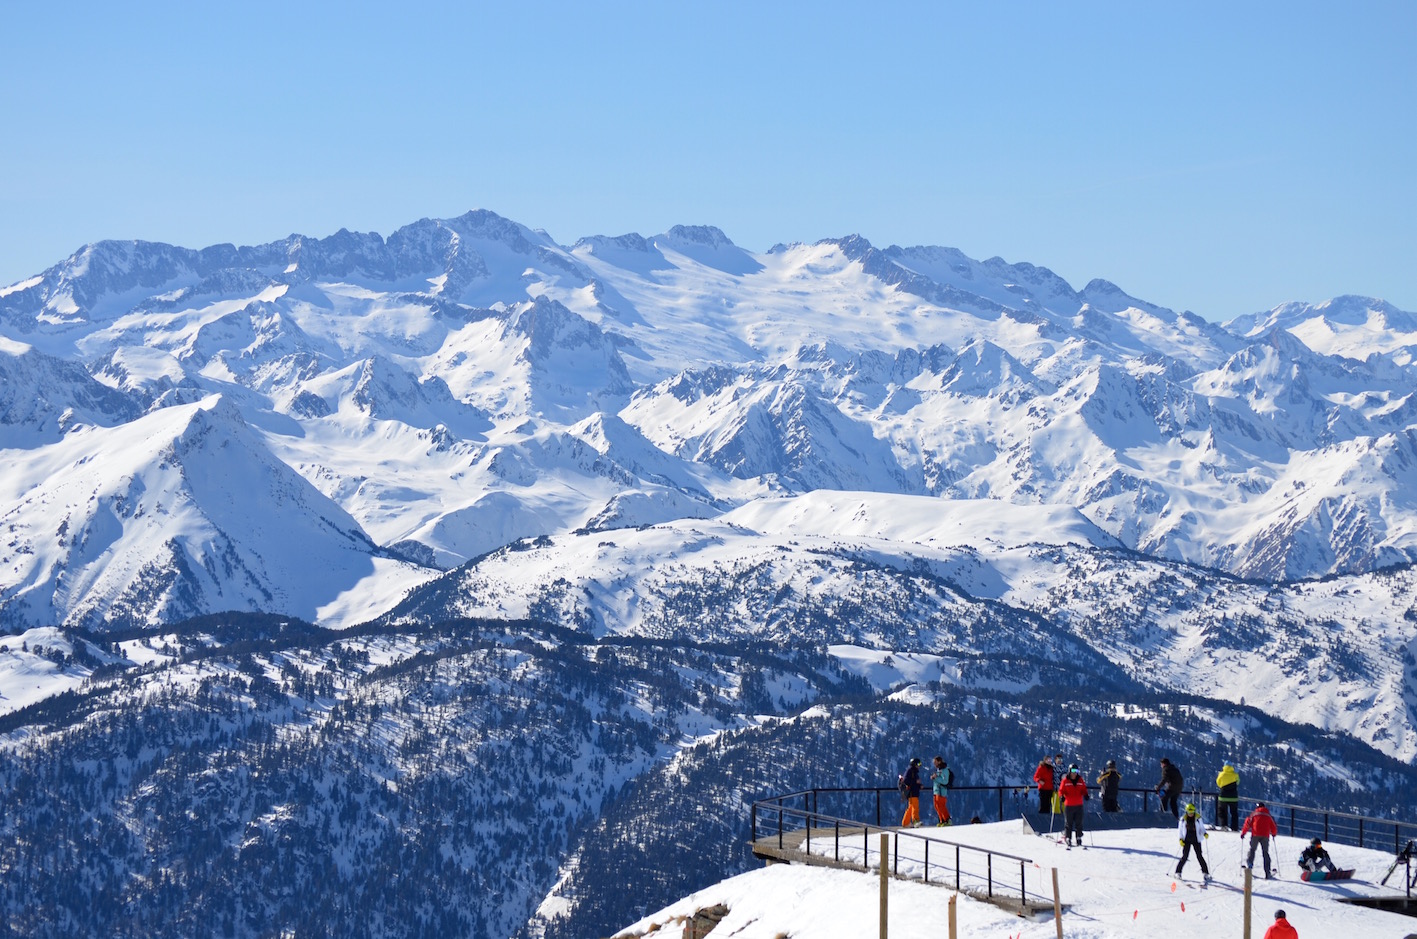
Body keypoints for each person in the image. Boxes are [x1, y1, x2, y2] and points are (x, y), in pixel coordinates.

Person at [1240, 801, 1278, 879]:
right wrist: (1274, 834)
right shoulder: (1268, 815)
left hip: (1255, 834)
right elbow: (1273, 826)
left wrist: (1243, 833)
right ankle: (1267, 872)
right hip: (1265, 835)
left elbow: (1247, 824)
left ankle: (1249, 866)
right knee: (1265, 853)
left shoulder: (1254, 814)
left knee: (1252, 850)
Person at [1174, 802, 1210, 879]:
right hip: (1186, 840)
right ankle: (1178, 872)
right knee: (1185, 856)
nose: (1191, 814)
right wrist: (1180, 839)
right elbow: (1180, 830)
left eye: (1192, 812)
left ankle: (1206, 872)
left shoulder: (1198, 818)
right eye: (1189, 812)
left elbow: (1201, 828)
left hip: (1196, 839)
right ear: (1186, 811)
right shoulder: (1183, 819)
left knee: (1199, 856)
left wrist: (1204, 833)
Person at [1059, 764, 1088, 846]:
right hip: (1069, 805)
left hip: (1079, 804)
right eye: (1073, 771)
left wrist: (1085, 794)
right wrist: (1061, 796)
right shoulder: (1065, 781)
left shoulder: (1080, 780)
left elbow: (1083, 789)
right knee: (1069, 823)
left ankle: (1079, 837)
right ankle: (1068, 838)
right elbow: (1061, 790)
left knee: (1079, 822)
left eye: (1076, 771)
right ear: (1069, 771)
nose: (1074, 773)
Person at [1216, 762, 1240, 829]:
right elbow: (1238, 782)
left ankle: (1224, 825)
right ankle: (1234, 827)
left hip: (1223, 796)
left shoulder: (1221, 774)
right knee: (1234, 813)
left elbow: (1218, 783)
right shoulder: (1235, 775)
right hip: (1233, 797)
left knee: (1222, 811)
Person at [900, 757, 923, 828]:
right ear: (914, 764)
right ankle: (916, 821)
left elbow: (912, 782)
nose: (919, 765)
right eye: (918, 764)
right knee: (915, 807)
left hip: (913, 792)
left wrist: (919, 785)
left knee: (910, 807)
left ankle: (905, 822)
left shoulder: (913, 771)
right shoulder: (911, 771)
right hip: (912, 792)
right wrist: (916, 782)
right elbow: (906, 781)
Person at [930, 755, 952, 826]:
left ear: (939, 761)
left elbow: (945, 781)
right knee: (937, 806)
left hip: (941, 791)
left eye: (935, 762)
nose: (934, 764)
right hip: (937, 791)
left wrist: (935, 778)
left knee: (941, 806)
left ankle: (947, 819)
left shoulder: (944, 770)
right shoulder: (939, 770)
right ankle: (942, 820)